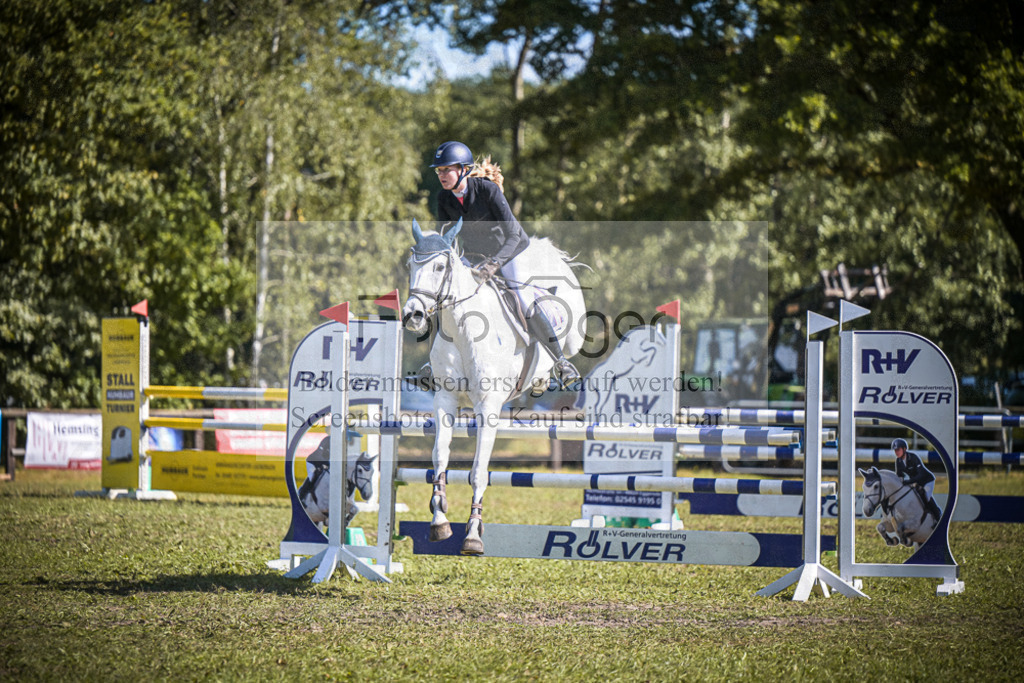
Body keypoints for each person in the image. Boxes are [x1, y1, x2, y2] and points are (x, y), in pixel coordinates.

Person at [425, 140, 580, 389]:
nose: (442, 175)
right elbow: (446, 238)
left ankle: (561, 362)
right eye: (439, 171)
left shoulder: (487, 191)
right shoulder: (444, 198)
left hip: (509, 251)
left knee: (523, 298)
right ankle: (433, 362)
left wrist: (495, 263)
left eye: (447, 169)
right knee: (444, 296)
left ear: (463, 169)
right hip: (474, 255)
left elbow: (515, 235)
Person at [892, 438, 942, 521]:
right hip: (915, 482)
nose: (896, 452)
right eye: (895, 450)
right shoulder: (898, 461)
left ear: (904, 449)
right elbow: (899, 475)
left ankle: (937, 516)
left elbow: (921, 475)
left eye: (898, 450)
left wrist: (908, 481)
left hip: (927, 480)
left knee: (926, 496)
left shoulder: (913, 457)